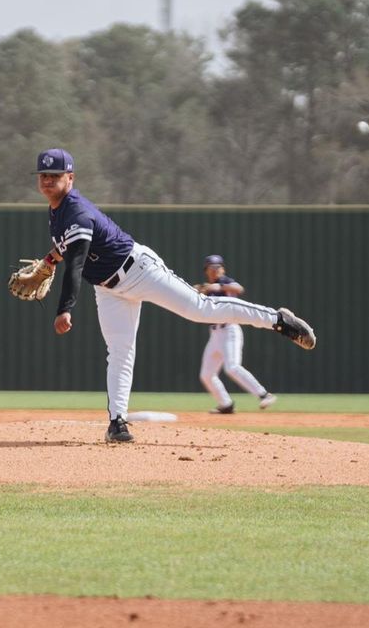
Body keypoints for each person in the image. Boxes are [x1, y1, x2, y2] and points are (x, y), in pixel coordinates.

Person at [30, 148, 315, 443]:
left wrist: (65, 308)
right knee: (119, 351)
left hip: (138, 269)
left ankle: (278, 320)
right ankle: (117, 423)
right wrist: (49, 260)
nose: (48, 180)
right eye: (43, 175)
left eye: (55, 175)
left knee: (201, 308)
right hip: (107, 288)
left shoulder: (75, 210)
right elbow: (66, 249)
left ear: (71, 178)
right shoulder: (56, 211)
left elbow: (76, 262)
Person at [194, 254, 278, 414]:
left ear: (223, 269)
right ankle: (225, 404)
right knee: (206, 374)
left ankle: (264, 394)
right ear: (206, 271)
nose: (215, 270)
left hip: (230, 331)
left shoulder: (225, 282)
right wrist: (199, 290)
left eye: (218, 267)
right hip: (215, 334)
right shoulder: (208, 288)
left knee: (232, 367)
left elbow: (239, 288)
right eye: (211, 268)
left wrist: (218, 287)